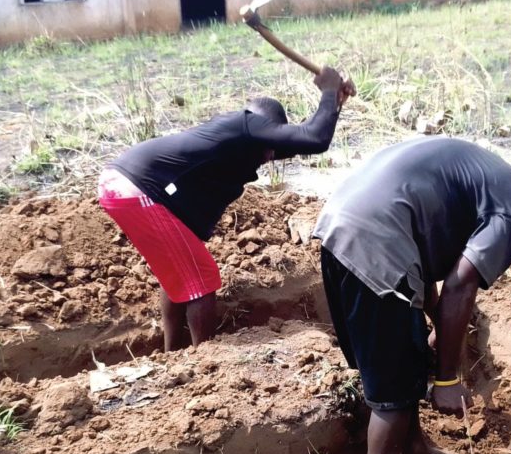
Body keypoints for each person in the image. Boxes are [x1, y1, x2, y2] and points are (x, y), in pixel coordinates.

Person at [313, 136, 511, 454]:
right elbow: (460, 283)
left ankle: (414, 452)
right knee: (394, 389)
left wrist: (436, 321)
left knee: (404, 360)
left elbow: (423, 248)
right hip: (377, 242)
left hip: (340, 224)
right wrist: (447, 377)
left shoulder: (485, 170)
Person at [99, 67, 355, 351]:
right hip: (139, 188)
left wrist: (334, 103)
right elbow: (314, 139)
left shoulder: (237, 140)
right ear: (262, 125)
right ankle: (205, 358)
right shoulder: (246, 124)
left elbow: (304, 139)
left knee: (180, 274)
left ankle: (172, 354)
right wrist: (329, 89)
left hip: (125, 185)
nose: (271, 155)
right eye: (270, 144)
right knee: (202, 278)